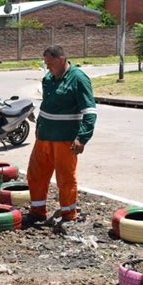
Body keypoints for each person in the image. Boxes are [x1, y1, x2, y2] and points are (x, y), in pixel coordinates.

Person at [24, 45, 97, 228]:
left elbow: (90, 112)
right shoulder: (48, 79)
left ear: (62, 59)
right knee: (36, 175)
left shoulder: (78, 79)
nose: (47, 67)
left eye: (50, 64)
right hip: (44, 137)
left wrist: (82, 138)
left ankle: (68, 214)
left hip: (65, 140)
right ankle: (37, 212)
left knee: (65, 178)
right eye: (46, 64)